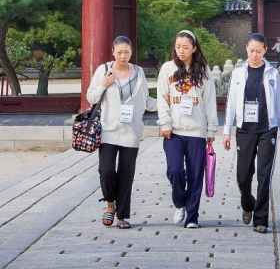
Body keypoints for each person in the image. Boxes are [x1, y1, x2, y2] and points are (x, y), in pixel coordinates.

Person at [86, 36, 155, 229]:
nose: (123, 56)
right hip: (108, 129)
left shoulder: (139, 73)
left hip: (131, 130)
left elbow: (146, 101)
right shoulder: (104, 70)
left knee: (126, 173)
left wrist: (168, 104)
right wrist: (103, 85)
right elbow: (91, 96)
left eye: (126, 52)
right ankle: (110, 204)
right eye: (119, 52)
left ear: (132, 52)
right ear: (112, 52)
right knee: (106, 170)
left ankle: (122, 215)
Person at [223, 33, 280, 234]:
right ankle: (247, 203)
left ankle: (261, 220)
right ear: (246, 49)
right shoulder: (238, 72)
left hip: (268, 129)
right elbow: (231, 103)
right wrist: (227, 130)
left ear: (265, 51)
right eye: (251, 51)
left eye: (259, 51)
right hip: (245, 128)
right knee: (243, 175)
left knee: (264, 174)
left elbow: (279, 103)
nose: (255, 55)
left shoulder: (272, 73)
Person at [157, 30, 218, 229]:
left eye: (185, 47)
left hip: (196, 130)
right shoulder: (167, 69)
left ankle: (192, 216)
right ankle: (179, 202)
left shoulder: (203, 71)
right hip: (173, 130)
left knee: (195, 175)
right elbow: (161, 97)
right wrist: (164, 123)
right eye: (177, 46)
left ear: (194, 48)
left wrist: (211, 130)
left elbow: (209, 102)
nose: (181, 51)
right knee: (174, 170)